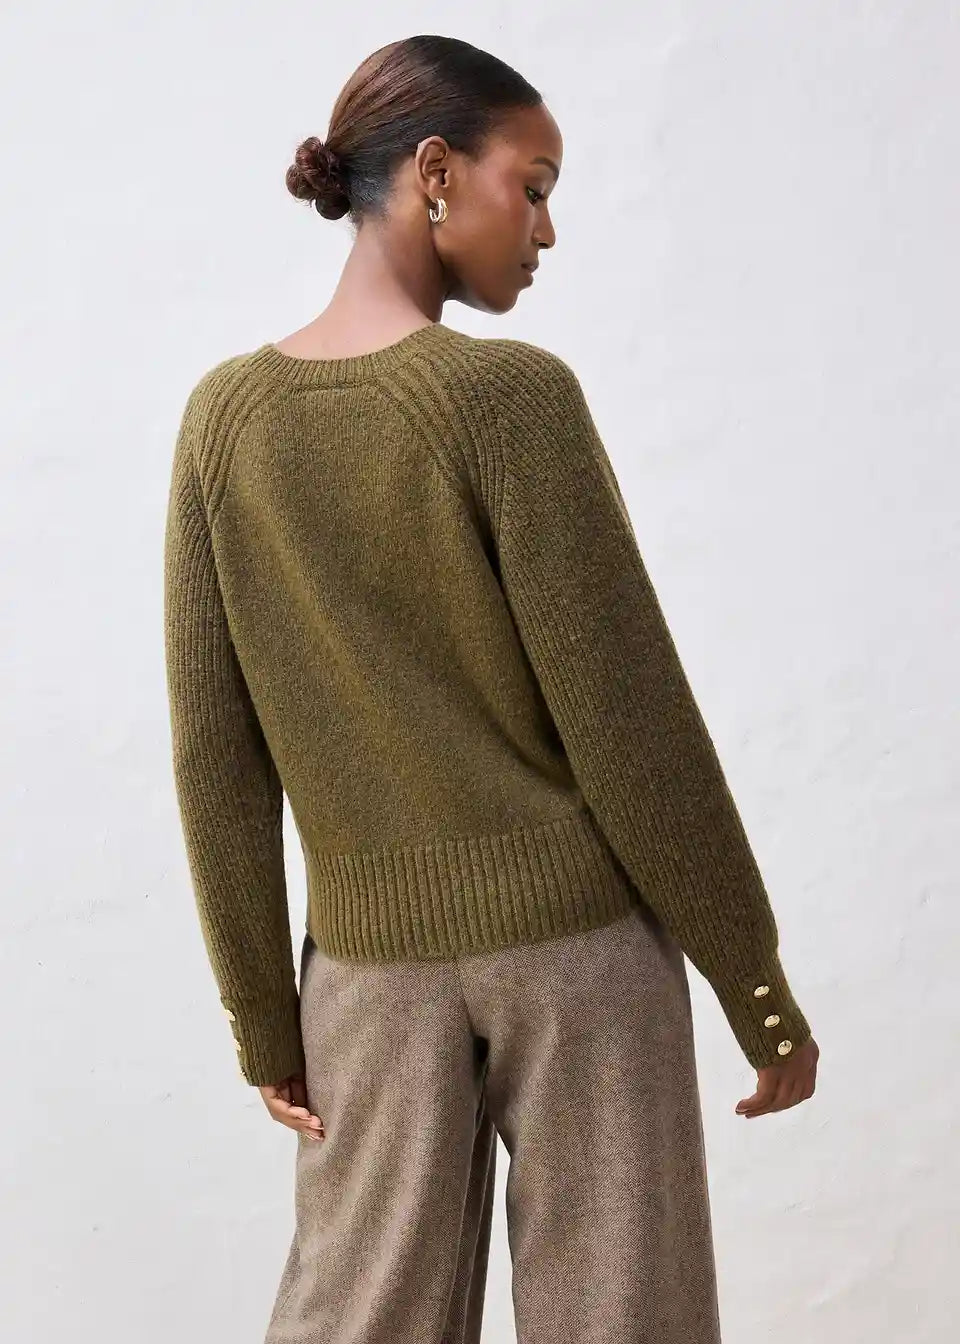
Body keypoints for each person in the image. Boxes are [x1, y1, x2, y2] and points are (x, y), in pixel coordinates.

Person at [162, 32, 819, 1344]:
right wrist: (754, 984)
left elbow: (214, 755)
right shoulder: (509, 400)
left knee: (355, 1318)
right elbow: (631, 725)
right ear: (437, 173)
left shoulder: (224, 422)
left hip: (364, 978)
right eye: (536, 185)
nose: (548, 229)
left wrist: (266, 1022)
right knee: (622, 1320)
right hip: (579, 958)